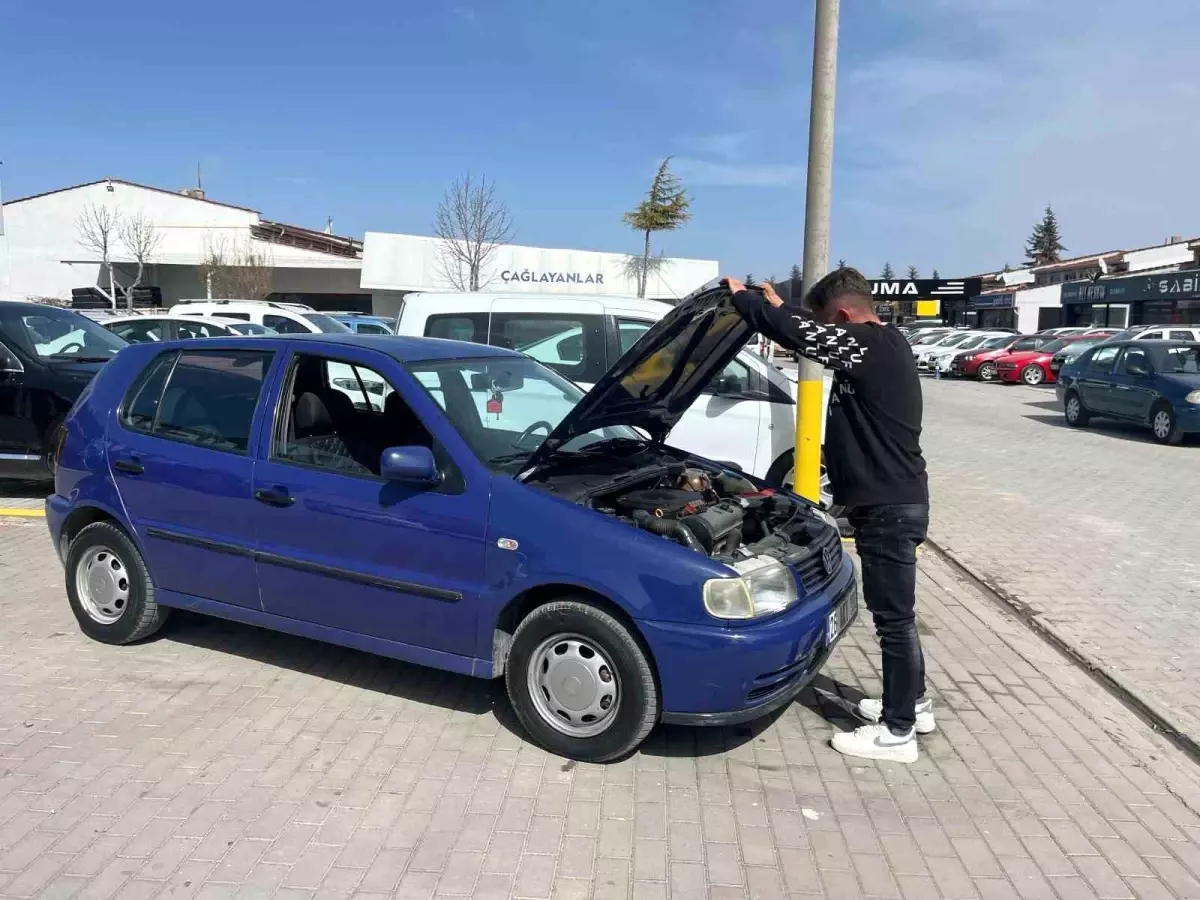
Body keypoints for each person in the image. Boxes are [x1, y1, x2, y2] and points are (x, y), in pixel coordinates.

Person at [724, 268, 932, 764]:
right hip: (893, 501)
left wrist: (749, 305)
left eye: (828, 323)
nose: (827, 335)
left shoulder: (869, 346)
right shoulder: (884, 342)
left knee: (894, 621)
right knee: (897, 620)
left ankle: (897, 732)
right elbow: (809, 329)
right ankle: (914, 704)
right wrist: (779, 305)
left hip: (888, 509)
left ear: (843, 316)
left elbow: (803, 335)